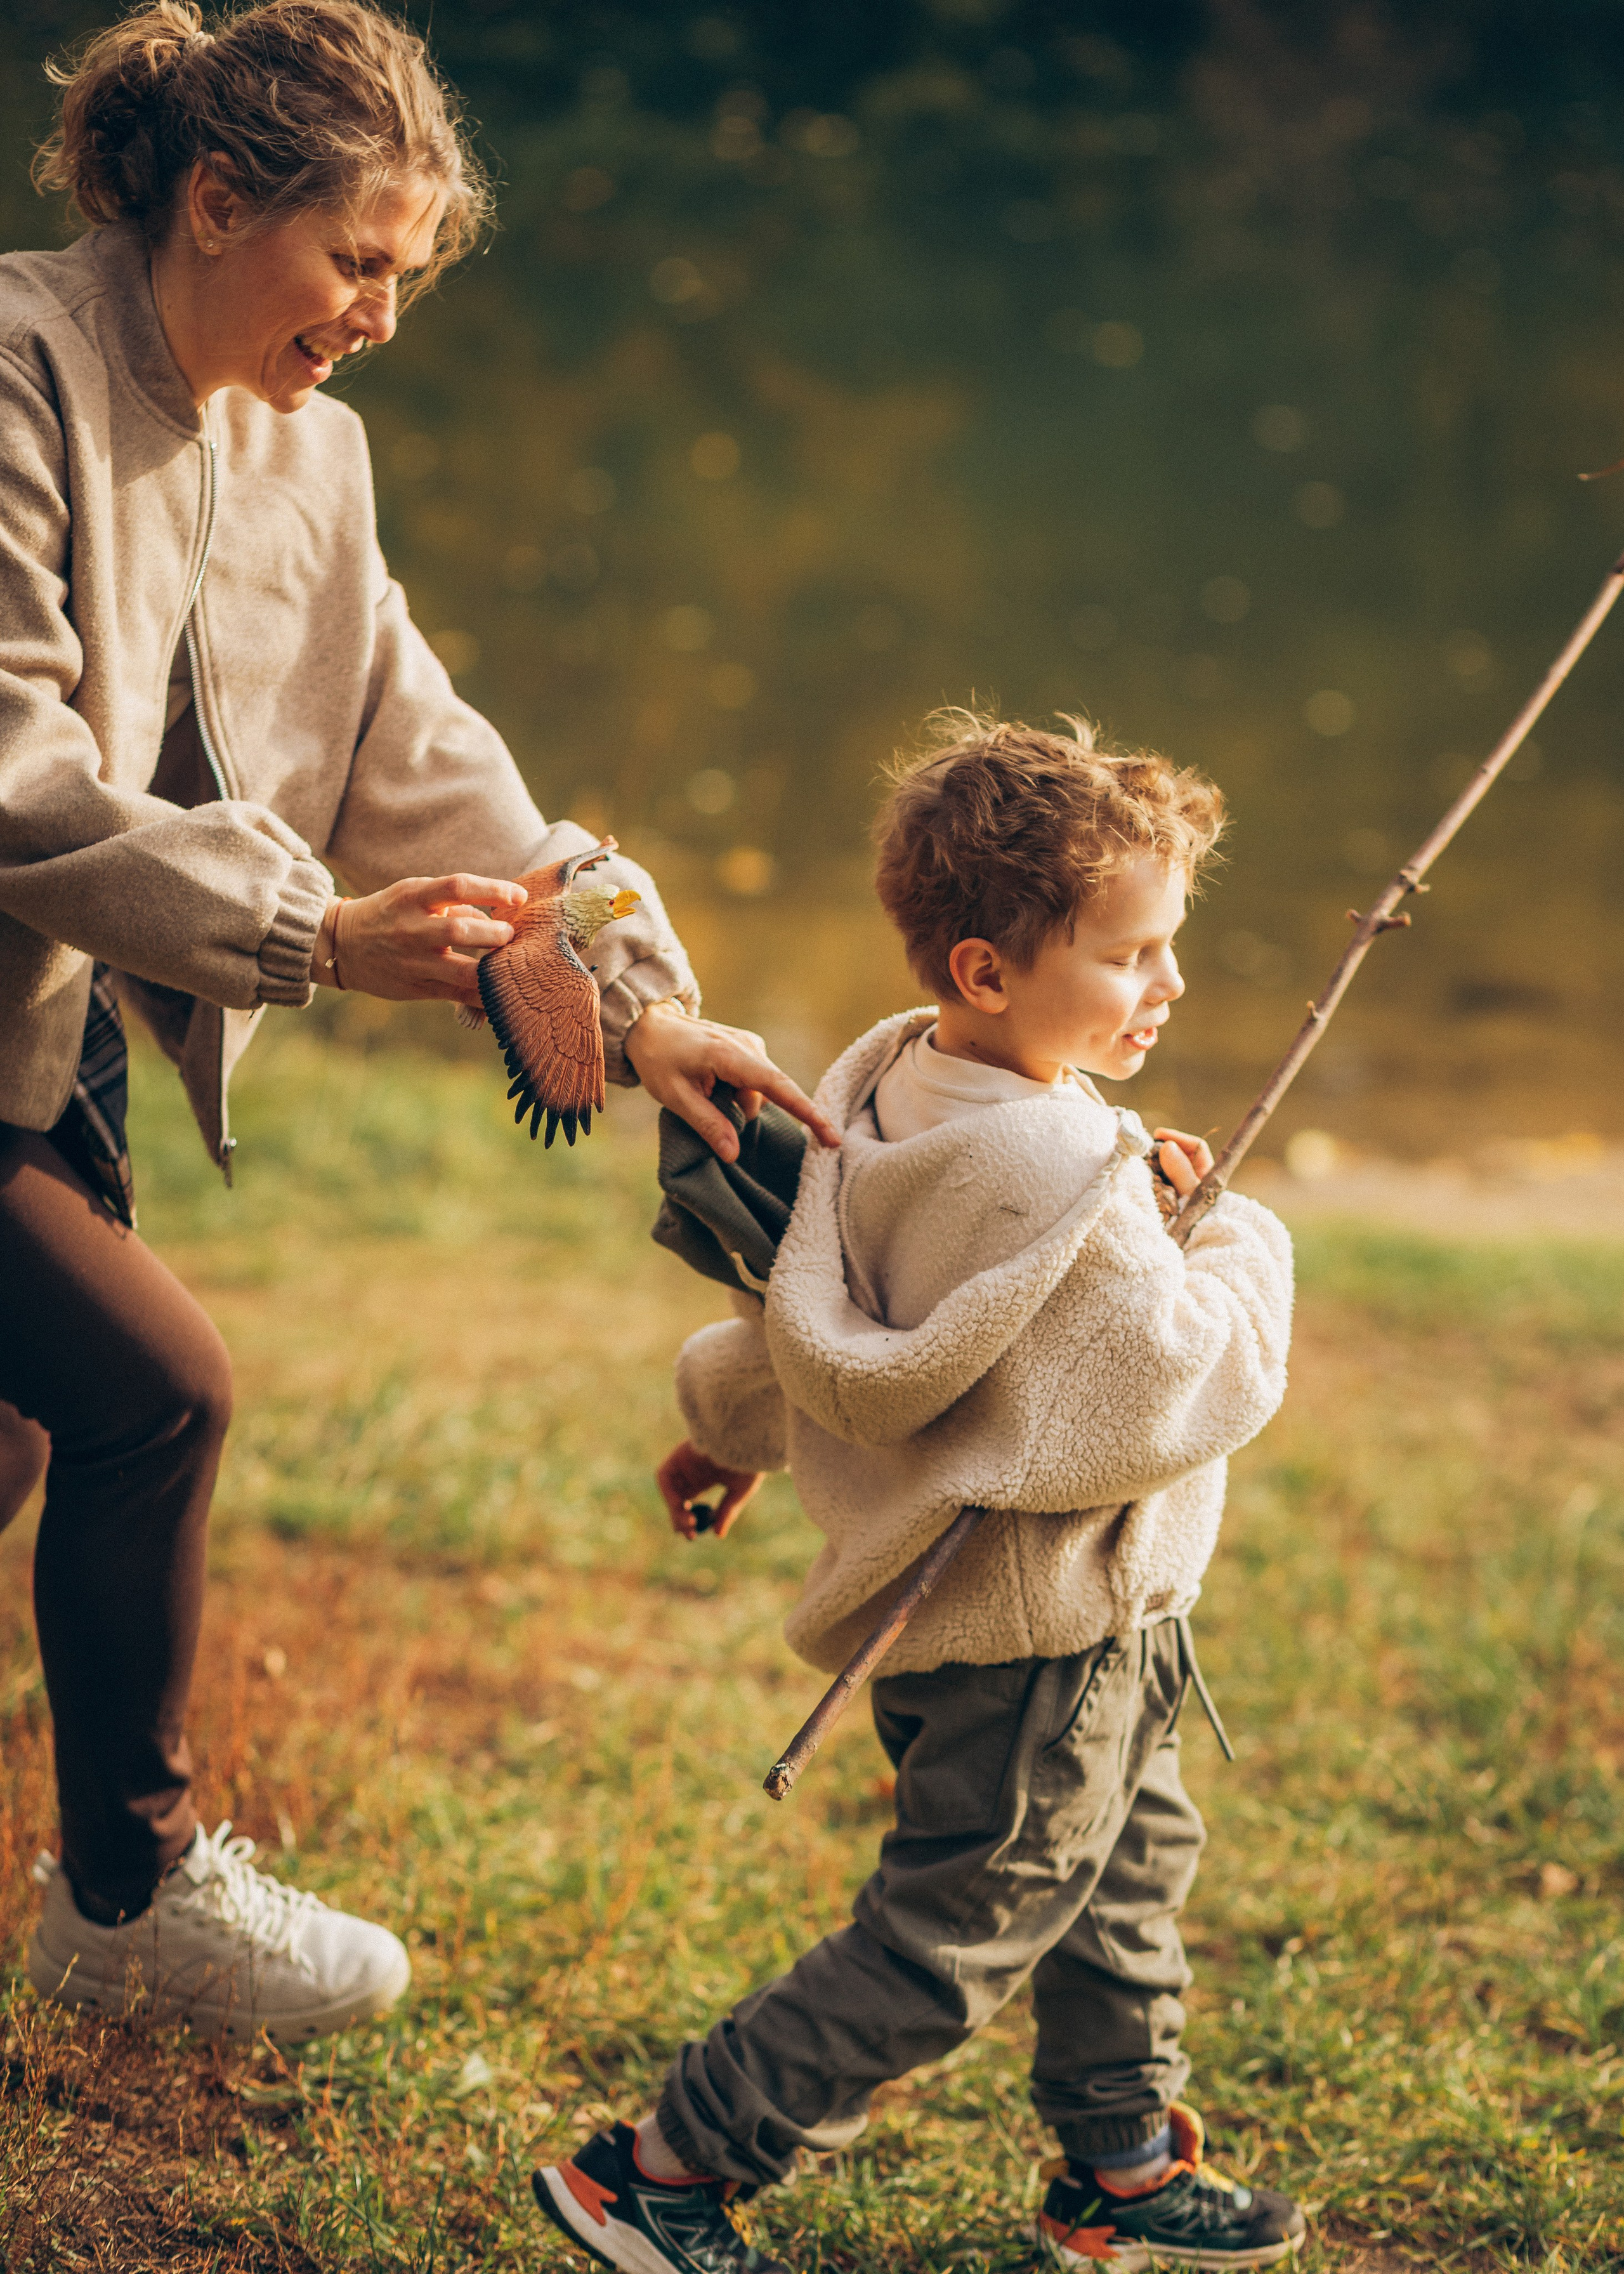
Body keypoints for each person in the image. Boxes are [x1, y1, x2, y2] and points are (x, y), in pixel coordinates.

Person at [0, 0, 835, 2046]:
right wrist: (311, 930)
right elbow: (13, 772)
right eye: (357, 260)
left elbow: (416, 744)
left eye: (409, 274)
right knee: (150, 1396)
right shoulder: (15, 367)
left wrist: (642, 1002)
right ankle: (128, 1903)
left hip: (47, 1033)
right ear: (217, 202)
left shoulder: (313, 454)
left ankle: (113, 1905)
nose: (383, 315)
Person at [535, 715, 1307, 2271]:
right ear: (984, 970)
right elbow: (1184, 1379)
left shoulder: (886, 1093)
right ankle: (664, 2168)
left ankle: (1119, 2164)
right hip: (1045, 1639)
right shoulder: (1060, 1174)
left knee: (1121, 1876)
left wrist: (729, 1431)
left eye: (1167, 946)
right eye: (1129, 955)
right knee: (956, 1930)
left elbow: (828, 1314)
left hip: (1016, 1628)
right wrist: (1232, 1231)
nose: (1166, 983)